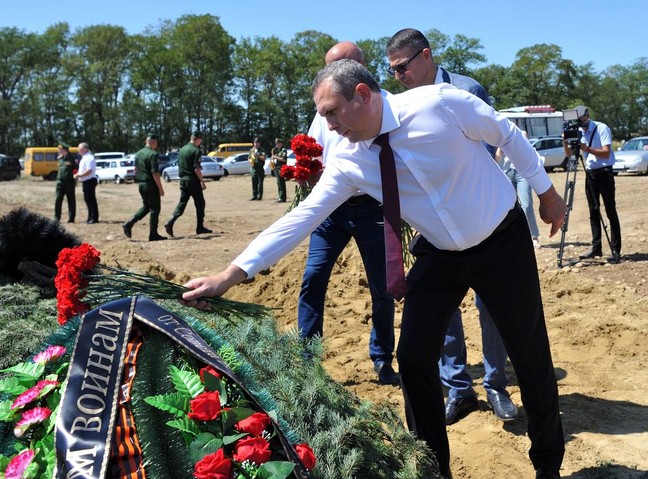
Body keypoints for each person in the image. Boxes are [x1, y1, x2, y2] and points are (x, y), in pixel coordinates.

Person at [181, 60, 567, 479]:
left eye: (331, 112)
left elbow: (507, 134)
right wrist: (229, 275)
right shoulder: (349, 161)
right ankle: (433, 468)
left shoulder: (442, 104)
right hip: (439, 254)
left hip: (500, 240)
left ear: (362, 95)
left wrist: (547, 193)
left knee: (530, 356)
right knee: (414, 357)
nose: (326, 125)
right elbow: (301, 218)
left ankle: (547, 464)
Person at [386, 27, 517, 423]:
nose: (399, 77)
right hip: (434, 224)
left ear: (426, 56)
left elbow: (492, 147)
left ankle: (496, 385)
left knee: (489, 303)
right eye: (392, 72)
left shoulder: (467, 89)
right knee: (445, 311)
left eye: (403, 67)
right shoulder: (399, 104)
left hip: (481, 220)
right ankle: (459, 388)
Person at [299, 41, 399, 386]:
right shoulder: (322, 110)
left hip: (372, 207)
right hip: (332, 211)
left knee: (382, 286)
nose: (332, 74)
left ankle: (383, 358)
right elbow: (313, 153)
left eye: (340, 64)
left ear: (360, 66)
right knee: (313, 278)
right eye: (327, 66)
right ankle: (307, 357)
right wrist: (306, 170)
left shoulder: (385, 105)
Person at [563, 105, 621, 263]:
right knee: (593, 211)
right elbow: (570, 155)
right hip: (590, 174)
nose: (580, 121)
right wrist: (565, 140)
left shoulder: (601, 128)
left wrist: (586, 148)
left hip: (605, 173)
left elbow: (606, 152)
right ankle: (597, 248)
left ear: (587, 115)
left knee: (610, 210)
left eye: (582, 117)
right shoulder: (578, 131)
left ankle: (616, 249)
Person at [497, 130, 542, 249]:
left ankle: (534, 236)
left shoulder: (521, 133)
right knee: (507, 208)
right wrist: (499, 150)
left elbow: (527, 152)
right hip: (507, 172)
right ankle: (513, 239)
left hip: (522, 173)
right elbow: (496, 158)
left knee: (526, 205)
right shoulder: (502, 136)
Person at [164, 132, 212, 237]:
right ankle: (200, 227)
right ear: (198, 139)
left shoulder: (182, 150)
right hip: (193, 180)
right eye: (201, 140)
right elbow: (196, 169)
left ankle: (170, 221)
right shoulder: (196, 150)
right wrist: (202, 182)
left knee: (182, 203)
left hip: (183, 180)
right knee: (200, 203)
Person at [123, 134, 166, 241]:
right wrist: (160, 188)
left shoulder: (138, 154)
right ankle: (153, 234)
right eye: (157, 143)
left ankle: (129, 223)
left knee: (146, 207)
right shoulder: (153, 154)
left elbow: (136, 170)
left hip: (141, 184)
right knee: (155, 209)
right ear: (153, 142)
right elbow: (155, 173)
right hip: (150, 184)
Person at [74, 142, 98, 224]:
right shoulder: (84, 158)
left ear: (85, 149)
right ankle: (90, 216)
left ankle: (94, 217)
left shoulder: (89, 158)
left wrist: (78, 175)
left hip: (90, 180)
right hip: (86, 180)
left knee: (91, 199)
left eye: (79, 149)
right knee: (87, 199)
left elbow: (89, 170)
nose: (78, 150)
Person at [54, 142, 77, 223]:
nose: (58, 151)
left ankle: (71, 218)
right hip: (60, 182)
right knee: (58, 200)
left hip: (69, 183)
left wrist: (75, 178)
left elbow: (75, 169)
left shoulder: (72, 159)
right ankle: (57, 218)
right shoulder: (59, 158)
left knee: (71, 200)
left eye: (59, 149)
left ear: (64, 150)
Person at [271, 138, 288, 203]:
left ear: (280, 144)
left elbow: (284, 160)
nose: (276, 145)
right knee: (279, 183)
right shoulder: (277, 151)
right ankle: (280, 197)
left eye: (277, 143)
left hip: (281, 168)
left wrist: (276, 157)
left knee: (281, 183)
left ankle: (283, 198)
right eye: (276, 143)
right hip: (277, 168)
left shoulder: (283, 151)